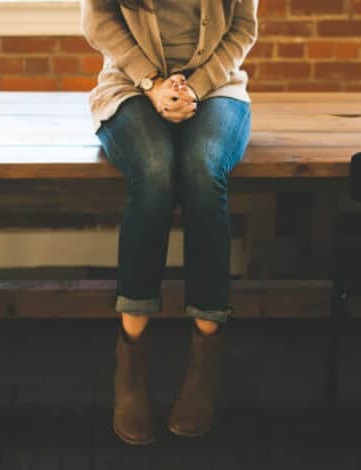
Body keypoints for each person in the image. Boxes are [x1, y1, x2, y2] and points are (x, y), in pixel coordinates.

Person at [80, 0, 258, 445]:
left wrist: (194, 87)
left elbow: (241, 30)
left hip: (217, 89)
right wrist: (154, 84)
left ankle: (204, 363)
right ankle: (131, 362)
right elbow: (98, 18)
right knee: (156, 170)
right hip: (129, 86)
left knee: (202, 168)